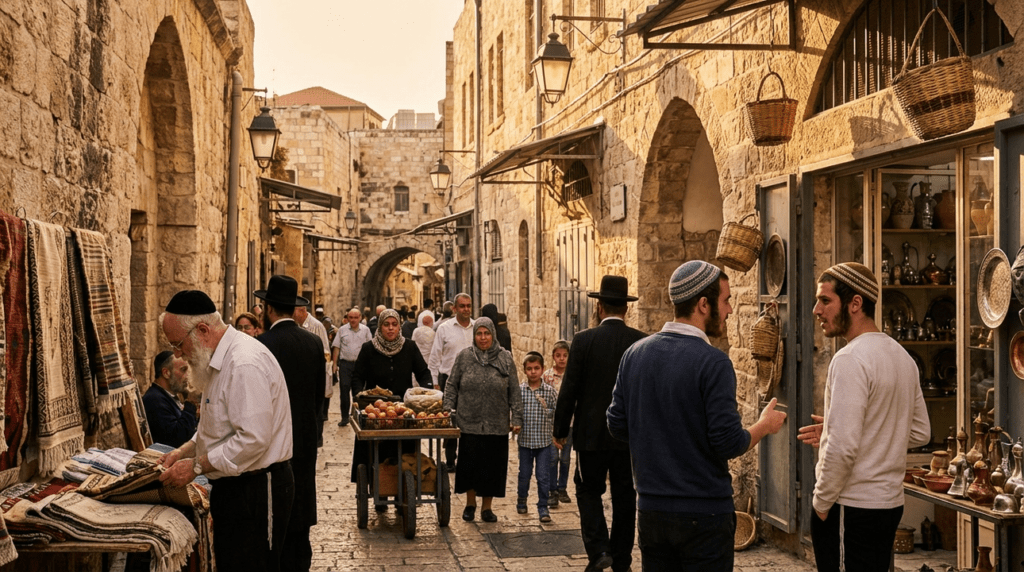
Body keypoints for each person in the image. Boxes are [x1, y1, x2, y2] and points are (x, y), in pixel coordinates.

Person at [607, 260, 788, 572]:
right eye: (726, 300)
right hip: (704, 515)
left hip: (652, 512)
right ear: (704, 304)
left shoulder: (634, 355)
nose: (730, 309)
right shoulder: (713, 363)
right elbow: (728, 443)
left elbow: (616, 424)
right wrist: (764, 426)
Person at [797, 262, 930, 572]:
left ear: (855, 303)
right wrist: (869, 432)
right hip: (889, 506)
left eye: (825, 300)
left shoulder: (849, 359)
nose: (817, 310)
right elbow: (921, 431)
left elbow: (843, 448)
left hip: (851, 507)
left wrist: (820, 503)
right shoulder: (903, 357)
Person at [157, 290, 293, 572]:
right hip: (236, 489)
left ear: (203, 330)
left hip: (256, 490)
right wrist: (186, 450)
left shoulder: (243, 363)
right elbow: (218, 425)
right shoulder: (218, 361)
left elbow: (252, 440)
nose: (178, 354)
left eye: (179, 345)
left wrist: (194, 467)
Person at [553, 275, 646, 572]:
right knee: (624, 496)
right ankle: (622, 559)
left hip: (590, 435)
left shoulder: (583, 340)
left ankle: (598, 550)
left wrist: (560, 430)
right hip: (627, 437)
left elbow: (569, 390)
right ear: (626, 309)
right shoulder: (641, 341)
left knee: (587, 489)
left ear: (600, 307)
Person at [254, 276, 325, 572]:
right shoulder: (313, 343)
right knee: (301, 507)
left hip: (274, 444)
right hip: (305, 439)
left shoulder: (261, 345)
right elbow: (319, 395)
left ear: (269, 309)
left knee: (275, 514)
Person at [442, 317, 523, 523]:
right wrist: (447, 408)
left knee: (492, 466)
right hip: (469, 421)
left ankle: (487, 507)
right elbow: (452, 385)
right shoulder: (464, 357)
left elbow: (514, 389)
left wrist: (517, 417)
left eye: (487, 333)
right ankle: (470, 504)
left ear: (493, 334)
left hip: (497, 423)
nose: (483, 338)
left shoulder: (505, 358)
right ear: (474, 335)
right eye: (479, 333)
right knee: (469, 464)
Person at [349, 309, 432, 509]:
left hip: (402, 413)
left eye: (395, 324)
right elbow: (357, 376)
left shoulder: (409, 347)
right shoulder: (369, 349)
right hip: (376, 413)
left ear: (399, 325)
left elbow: (423, 372)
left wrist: (427, 391)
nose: (391, 328)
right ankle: (379, 490)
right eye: (387, 324)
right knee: (376, 451)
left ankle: (403, 492)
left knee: (402, 453)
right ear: (380, 326)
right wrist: (360, 396)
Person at [429, 293, 475, 470]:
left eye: (468, 306)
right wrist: (435, 383)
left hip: (473, 381)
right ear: (454, 308)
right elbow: (435, 356)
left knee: (470, 422)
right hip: (449, 381)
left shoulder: (477, 327)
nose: (466, 309)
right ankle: (450, 461)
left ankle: (467, 460)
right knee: (450, 421)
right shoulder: (444, 328)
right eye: (462, 306)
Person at [516, 351, 558, 522]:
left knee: (543, 475)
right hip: (525, 442)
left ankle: (543, 507)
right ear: (525, 370)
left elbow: (556, 413)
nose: (533, 372)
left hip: (544, 442)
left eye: (536, 368)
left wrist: (557, 436)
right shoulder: (520, 391)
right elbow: (515, 412)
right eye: (529, 369)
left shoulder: (549, 392)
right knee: (524, 474)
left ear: (542, 369)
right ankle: (521, 500)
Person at [294, 302, 333, 446]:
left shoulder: (317, 326)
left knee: (317, 409)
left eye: (294, 311)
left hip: (315, 373)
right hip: (301, 375)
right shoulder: (295, 326)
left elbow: (325, 352)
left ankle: (317, 438)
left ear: (302, 310)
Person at [142, 351, 198, 448]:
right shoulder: (154, 400)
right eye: (183, 370)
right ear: (166, 373)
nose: (187, 376)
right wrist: (191, 402)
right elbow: (178, 439)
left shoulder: (168, 395)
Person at [332, 308, 372, 425]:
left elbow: (370, 348)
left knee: (358, 392)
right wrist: (334, 364)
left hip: (360, 365)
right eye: (351, 317)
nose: (353, 320)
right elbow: (336, 347)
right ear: (347, 318)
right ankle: (344, 417)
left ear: (360, 318)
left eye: (355, 317)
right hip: (345, 364)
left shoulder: (365, 330)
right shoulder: (342, 330)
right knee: (344, 390)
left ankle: (357, 416)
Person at [543, 340, 571, 507]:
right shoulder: (547, 376)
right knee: (553, 458)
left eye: (565, 356)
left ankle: (562, 488)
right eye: (558, 355)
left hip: (570, 423)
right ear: (553, 357)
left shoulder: (572, 375)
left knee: (566, 458)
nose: (562, 359)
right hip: (551, 423)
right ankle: (552, 489)